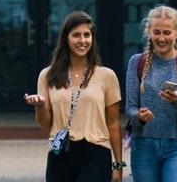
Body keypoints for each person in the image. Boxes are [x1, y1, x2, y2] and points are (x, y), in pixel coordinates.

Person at [24, 11, 125, 182]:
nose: (83, 40)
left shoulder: (106, 76)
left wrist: (118, 165)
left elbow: (113, 123)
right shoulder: (47, 75)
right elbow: (45, 124)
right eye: (76, 35)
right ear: (66, 38)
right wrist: (39, 105)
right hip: (60, 153)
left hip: (96, 153)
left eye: (87, 35)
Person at [125, 5, 177, 182]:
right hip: (144, 146)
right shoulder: (136, 62)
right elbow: (129, 108)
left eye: (167, 32)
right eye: (156, 32)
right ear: (149, 32)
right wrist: (140, 116)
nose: (161, 38)